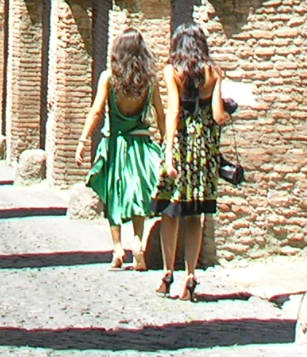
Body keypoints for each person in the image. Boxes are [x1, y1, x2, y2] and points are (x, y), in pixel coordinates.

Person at [156, 23, 236, 300]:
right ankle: (190, 276)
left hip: (181, 145)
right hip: (204, 150)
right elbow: (217, 116)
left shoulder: (172, 72)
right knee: (196, 213)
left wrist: (168, 154)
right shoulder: (214, 72)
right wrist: (228, 109)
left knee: (170, 210)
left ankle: (168, 272)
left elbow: (174, 112)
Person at [79, 29, 167, 270]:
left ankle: (118, 249)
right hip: (141, 145)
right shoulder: (149, 81)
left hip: (115, 144)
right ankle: (138, 243)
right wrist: (166, 143)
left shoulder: (109, 78)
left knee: (114, 195)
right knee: (139, 194)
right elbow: (161, 114)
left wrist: (83, 140)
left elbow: (96, 110)